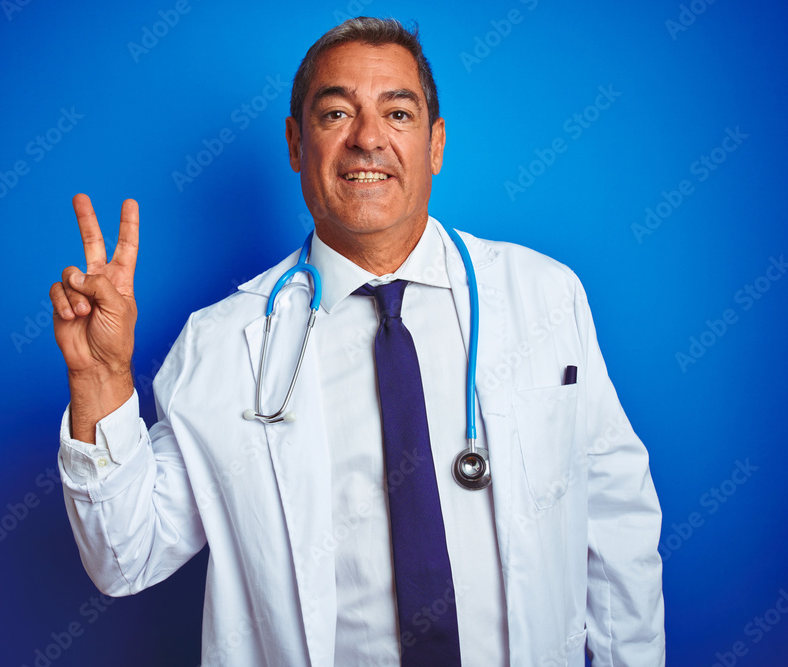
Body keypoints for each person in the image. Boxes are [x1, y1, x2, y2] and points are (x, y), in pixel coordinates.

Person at [50, 17, 665, 667]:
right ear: (294, 143)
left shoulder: (544, 296)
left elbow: (617, 516)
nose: (368, 138)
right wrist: (99, 376)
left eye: (398, 113)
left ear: (435, 144)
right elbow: (126, 555)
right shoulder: (224, 342)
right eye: (336, 113)